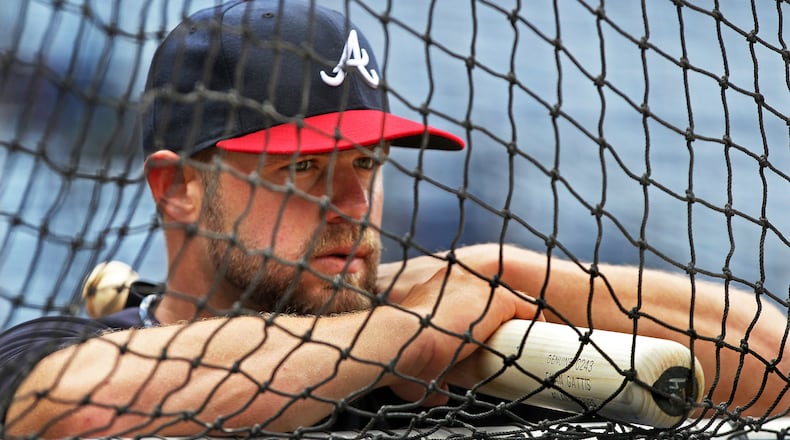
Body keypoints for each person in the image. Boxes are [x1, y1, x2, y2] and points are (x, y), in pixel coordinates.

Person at [0, 0, 787, 437]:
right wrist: (403, 336)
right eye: (303, 169)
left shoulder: (465, 373)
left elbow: (771, 362)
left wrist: (498, 275)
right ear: (177, 190)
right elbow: (82, 416)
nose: (351, 209)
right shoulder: (58, 357)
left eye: (366, 166)